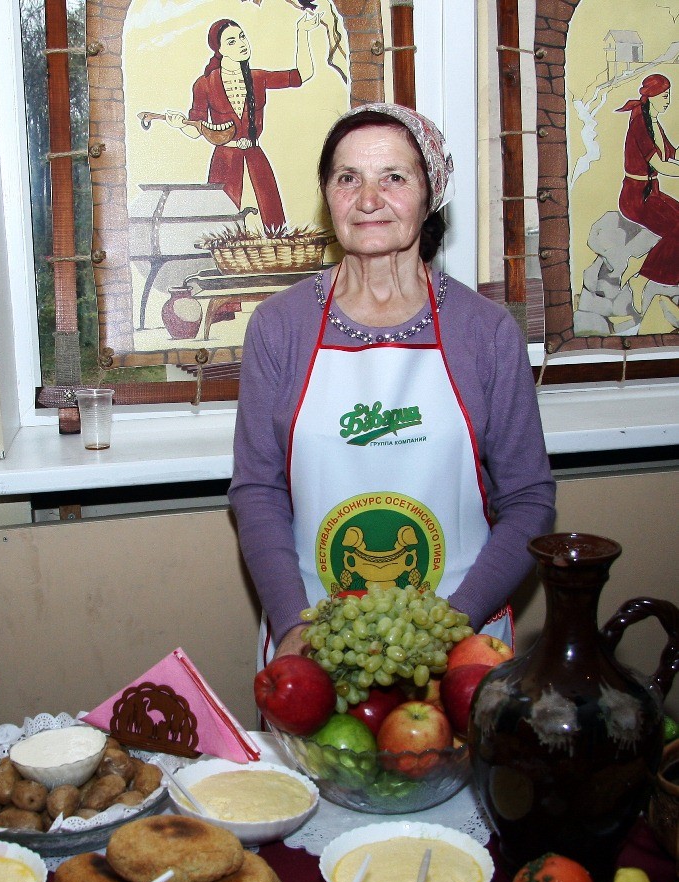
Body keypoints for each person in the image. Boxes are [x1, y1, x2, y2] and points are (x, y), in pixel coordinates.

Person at [228, 103, 556, 666]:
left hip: (460, 644)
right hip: (313, 644)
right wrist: (293, 626)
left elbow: (528, 500)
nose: (368, 199)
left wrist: (450, 626)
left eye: (394, 178)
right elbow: (257, 491)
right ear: (327, 196)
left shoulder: (487, 331)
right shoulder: (279, 326)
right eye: (347, 178)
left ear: (430, 198)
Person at [166, 15, 322, 231]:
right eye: (232, 41)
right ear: (219, 49)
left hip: (255, 156)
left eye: (242, 37)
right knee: (221, 226)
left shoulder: (258, 78)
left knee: (273, 223)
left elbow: (301, 75)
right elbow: (197, 130)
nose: (241, 44)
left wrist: (302, 31)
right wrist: (180, 124)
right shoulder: (204, 84)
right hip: (225, 160)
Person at [616, 74, 679, 298]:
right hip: (635, 198)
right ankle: (641, 280)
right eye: (664, 95)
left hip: (652, 193)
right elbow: (660, 165)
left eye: (669, 95)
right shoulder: (640, 123)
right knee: (676, 229)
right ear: (651, 96)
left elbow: (672, 154)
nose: (668, 100)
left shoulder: (653, 121)